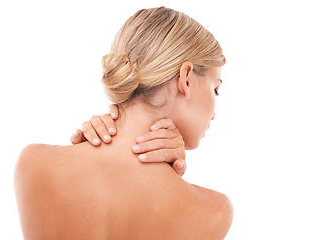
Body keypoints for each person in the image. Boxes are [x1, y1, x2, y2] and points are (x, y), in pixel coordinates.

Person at [14, 6, 233, 240]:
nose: (213, 114)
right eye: (216, 89)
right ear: (186, 79)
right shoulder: (214, 212)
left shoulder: (33, 163)